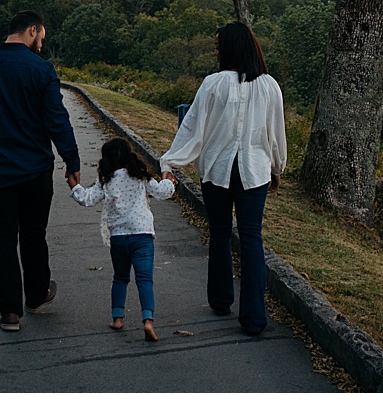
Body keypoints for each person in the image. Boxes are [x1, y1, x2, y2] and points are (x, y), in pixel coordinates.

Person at [159, 21, 286, 337]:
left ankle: (220, 299)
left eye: (217, 46)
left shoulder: (213, 84)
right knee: (251, 238)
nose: (215, 51)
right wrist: (276, 167)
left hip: (216, 171)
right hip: (254, 171)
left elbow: (192, 128)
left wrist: (170, 161)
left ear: (230, 48)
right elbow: (276, 133)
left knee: (219, 233)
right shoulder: (270, 86)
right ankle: (254, 318)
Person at [0, 10, 82, 333]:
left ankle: (10, 312)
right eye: (42, 36)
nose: (42, 42)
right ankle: (37, 294)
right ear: (32, 30)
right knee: (33, 234)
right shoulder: (40, 70)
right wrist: (72, 161)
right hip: (34, 169)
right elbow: (57, 119)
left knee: (2, 239)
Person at [68, 137, 175, 341]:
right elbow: (161, 192)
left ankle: (117, 318)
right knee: (145, 280)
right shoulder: (140, 176)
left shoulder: (107, 181)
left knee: (120, 278)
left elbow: (87, 199)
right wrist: (169, 182)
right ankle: (148, 321)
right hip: (142, 235)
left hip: (118, 238)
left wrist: (74, 186)